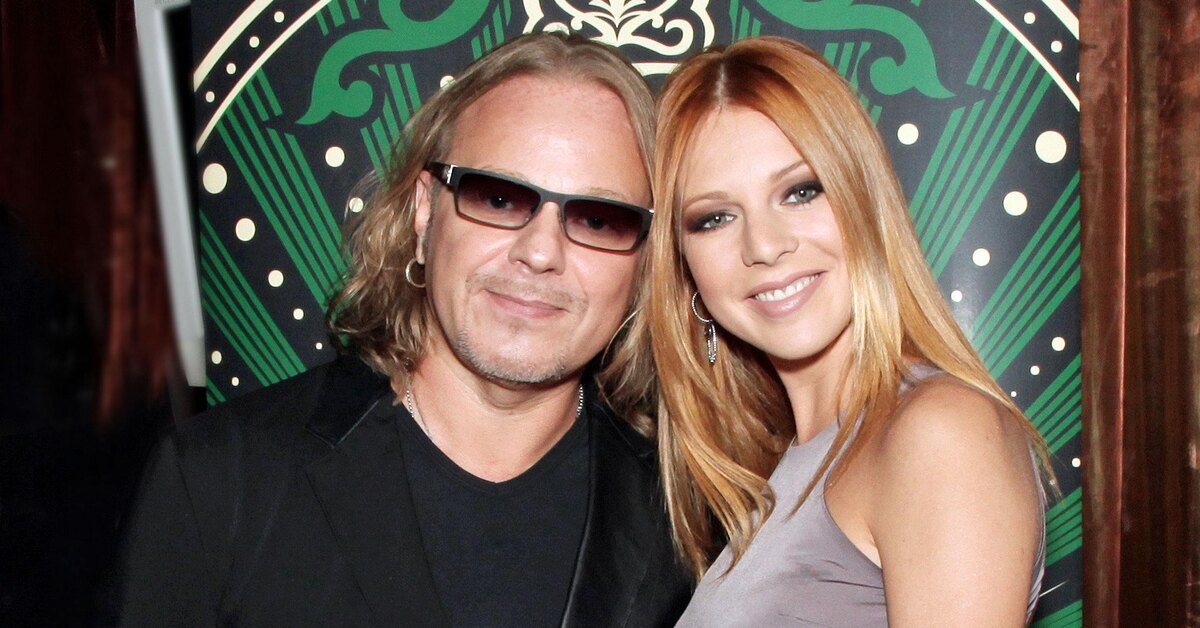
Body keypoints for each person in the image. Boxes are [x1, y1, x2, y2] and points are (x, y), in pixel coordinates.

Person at [114, 32, 691, 627]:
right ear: (424, 212)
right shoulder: (219, 480)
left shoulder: (690, 523)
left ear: (645, 262)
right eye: (497, 199)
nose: (540, 252)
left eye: (598, 219)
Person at [644, 37, 1049, 625]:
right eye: (715, 218)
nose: (764, 245)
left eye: (801, 191)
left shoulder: (939, 432)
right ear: (685, 268)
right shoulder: (789, 471)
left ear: (865, 200)